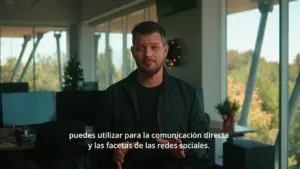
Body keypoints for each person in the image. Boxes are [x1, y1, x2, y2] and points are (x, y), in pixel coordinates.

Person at [96, 21, 208, 169]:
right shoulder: (113, 95)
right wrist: (114, 150)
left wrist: (184, 150)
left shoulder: (187, 93)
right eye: (140, 48)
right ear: (133, 52)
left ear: (165, 50)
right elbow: (98, 144)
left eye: (154, 47)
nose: (148, 54)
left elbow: (204, 144)